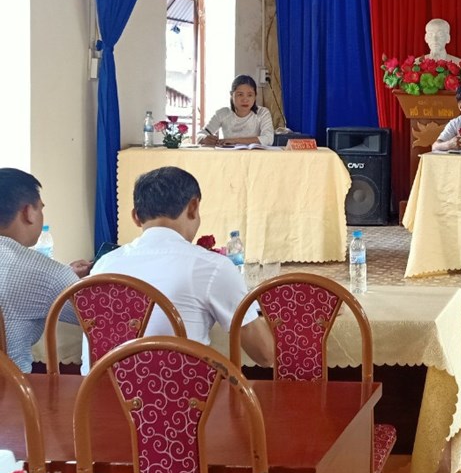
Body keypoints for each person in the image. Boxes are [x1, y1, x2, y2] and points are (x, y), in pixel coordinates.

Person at [91, 167, 274, 367]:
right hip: (178, 387)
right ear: (193, 207)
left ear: (135, 217)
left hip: (97, 385)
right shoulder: (211, 267)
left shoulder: (103, 265)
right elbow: (265, 354)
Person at [0, 169, 90, 372]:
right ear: (28, 213)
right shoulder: (46, 273)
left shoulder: (46, 274)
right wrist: (66, 278)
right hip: (12, 388)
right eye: (40, 209)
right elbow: (97, 318)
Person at [200, 75, 274, 146]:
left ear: (255, 96)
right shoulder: (222, 113)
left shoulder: (262, 113)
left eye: (250, 95)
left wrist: (234, 141)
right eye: (240, 94)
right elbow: (201, 134)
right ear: (231, 95)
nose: (245, 100)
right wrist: (204, 139)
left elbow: (268, 139)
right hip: (229, 154)